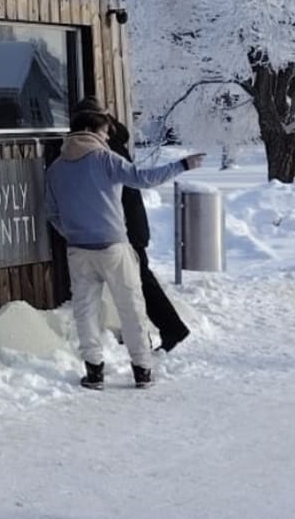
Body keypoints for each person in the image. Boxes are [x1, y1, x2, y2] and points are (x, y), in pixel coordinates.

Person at [45, 109, 204, 389]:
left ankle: (94, 371)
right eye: (106, 131)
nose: (108, 137)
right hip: (113, 245)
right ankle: (142, 370)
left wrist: (71, 232)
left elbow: (51, 212)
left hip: (78, 249)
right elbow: (142, 178)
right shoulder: (104, 159)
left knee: (85, 311)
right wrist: (182, 166)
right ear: (93, 130)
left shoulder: (56, 167)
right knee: (131, 307)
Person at [107, 117, 192, 353]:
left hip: (125, 227)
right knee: (140, 280)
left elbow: (138, 183)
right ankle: (168, 328)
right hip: (132, 224)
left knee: (139, 282)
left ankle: (169, 328)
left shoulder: (109, 152)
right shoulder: (118, 149)